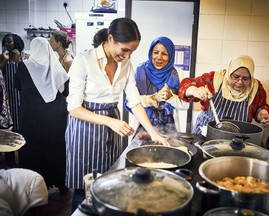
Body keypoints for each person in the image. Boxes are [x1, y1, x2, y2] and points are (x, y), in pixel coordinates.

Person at [65, 17, 169, 211]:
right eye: (125, 50)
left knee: (110, 181)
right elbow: (73, 108)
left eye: (132, 51)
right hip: (84, 127)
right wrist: (110, 122)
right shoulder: (84, 60)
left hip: (111, 123)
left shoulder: (126, 65)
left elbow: (134, 100)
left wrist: (153, 133)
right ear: (110, 38)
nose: (128, 56)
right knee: (84, 188)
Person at [14, 37, 69, 193]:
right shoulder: (57, 67)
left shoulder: (23, 66)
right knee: (56, 147)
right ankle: (60, 182)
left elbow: (17, 86)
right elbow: (66, 91)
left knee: (32, 148)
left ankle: (32, 185)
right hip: (55, 117)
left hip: (31, 117)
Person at [178, 55, 269, 135]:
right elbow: (185, 86)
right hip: (206, 133)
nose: (240, 82)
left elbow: (261, 106)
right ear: (229, 72)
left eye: (245, 78)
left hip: (236, 138)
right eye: (236, 76)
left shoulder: (255, 87)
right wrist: (195, 90)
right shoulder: (213, 79)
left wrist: (262, 114)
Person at [128, 36, 190, 135]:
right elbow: (131, 102)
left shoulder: (178, 74)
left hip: (169, 127)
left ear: (171, 56)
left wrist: (171, 97)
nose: (159, 57)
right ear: (151, 53)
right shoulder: (139, 71)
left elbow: (185, 105)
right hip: (142, 126)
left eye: (164, 54)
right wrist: (154, 98)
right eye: (156, 52)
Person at [0, 33, 29, 168]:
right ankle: (10, 162)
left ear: (16, 43)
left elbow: (28, 76)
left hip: (22, 100)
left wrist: (19, 61)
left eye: (9, 42)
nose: (7, 45)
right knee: (8, 131)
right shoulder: (2, 58)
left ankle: (24, 159)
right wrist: (5, 61)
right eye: (5, 43)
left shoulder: (25, 58)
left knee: (23, 129)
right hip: (7, 102)